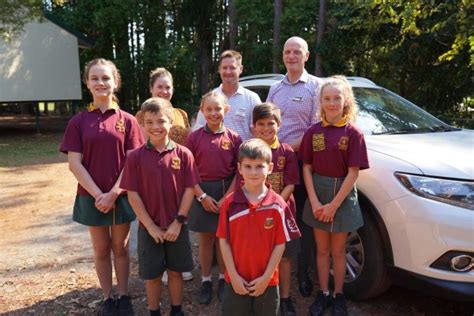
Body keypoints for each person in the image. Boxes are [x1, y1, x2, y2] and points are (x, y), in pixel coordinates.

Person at [60, 58, 144, 316]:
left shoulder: (128, 120)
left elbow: (132, 161)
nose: (100, 83)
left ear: (115, 82)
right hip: (91, 197)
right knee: (101, 250)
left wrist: (114, 193)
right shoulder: (78, 121)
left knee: (120, 248)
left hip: (120, 195)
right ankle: (108, 298)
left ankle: (123, 295)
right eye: (94, 78)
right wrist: (99, 195)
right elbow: (74, 163)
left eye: (106, 78)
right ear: (87, 83)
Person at [120, 98, 200, 316]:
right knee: (153, 276)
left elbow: (189, 189)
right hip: (149, 229)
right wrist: (150, 226)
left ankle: (176, 309)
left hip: (177, 226)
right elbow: (133, 194)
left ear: (171, 122)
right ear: (143, 124)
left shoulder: (183, 154)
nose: (156, 127)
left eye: (161, 121)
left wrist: (178, 222)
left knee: (175, 273)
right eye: (150, 122)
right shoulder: (135, 157)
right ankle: (154, 311)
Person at [299, 76, 369, 316]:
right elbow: (306, 167)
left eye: (336, 98)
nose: (331, 103)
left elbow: (353, 173)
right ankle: (324, 293)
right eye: (327, 98)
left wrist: (333, 205)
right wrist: (316, 201)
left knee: (338, 251)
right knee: (321, 251)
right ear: (320, 101)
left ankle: (339, 294)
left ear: (345, 100)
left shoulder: (354, 133)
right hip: (317, 192)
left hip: (342, 195)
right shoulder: (313, 132)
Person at [266, 36, 324, 297]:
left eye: (296, 52)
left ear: (306, 56)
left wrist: (288, 150)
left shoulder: (316, 87)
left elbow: (315, 129)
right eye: (287, 51)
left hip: (301, 162)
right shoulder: (275, 89)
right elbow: (267, 122)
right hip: (272, 162)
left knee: (301, 220)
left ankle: (302, 274)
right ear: (283, 56)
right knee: (272, 214)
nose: (291, 56)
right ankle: (273, 272)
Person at [217, 139, 300, 316]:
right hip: (236, 280)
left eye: (259, 166)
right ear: (239, 168)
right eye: (248, 166)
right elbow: (223, 241)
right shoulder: (230, 203)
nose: (253, 172)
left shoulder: (278, 204)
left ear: (270, 168)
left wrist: (266, 277)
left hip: (267, 282)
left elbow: (280, 244)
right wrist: (232, 275)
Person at [136, 67, 194, 284]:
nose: (164, 90)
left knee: (178, 215)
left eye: (167, 86)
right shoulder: (142, 115)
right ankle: (158, 265)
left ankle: (176, 264)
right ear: (151, 88)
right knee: (156, 216)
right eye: (159, 86)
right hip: (152, 170)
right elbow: (140, 143)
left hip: (178, 172)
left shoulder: (181, 114)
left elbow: (187, 140)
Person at [186, 91, 242, 304]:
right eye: (208, 109)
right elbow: (188, 172)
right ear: (202, 112)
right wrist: (202, 197)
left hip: (226, 191)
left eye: (218, 108)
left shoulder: (234, 138)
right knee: (206, 240)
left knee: (223, 239)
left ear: (226, 110)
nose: (213, 113)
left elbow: (239, 171)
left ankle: (223, 279)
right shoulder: (194, 137)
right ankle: (207, 280)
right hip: (202, 193)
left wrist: (228, 197)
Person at [251, 103, 301, 316]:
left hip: (282, 212)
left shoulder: (286, 151)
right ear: (253, 127)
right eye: (260, 124)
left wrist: (274, 205)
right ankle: (263, 293)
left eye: (270, 123)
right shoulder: (249, 151)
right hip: (256, 213)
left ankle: (286, 297)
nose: (266, 128)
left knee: (285, 257)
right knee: (261, 255)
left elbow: (290, 183)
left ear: (279, 125)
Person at [195, 50, 261, 141]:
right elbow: (199, 130)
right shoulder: (210, 99)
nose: (228, 71)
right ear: (219, 69)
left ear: (240, 69)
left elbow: (259, 132)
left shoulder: (252, 99)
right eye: (225, 68)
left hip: (244, 154)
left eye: (232, 68)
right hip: (216, 153)